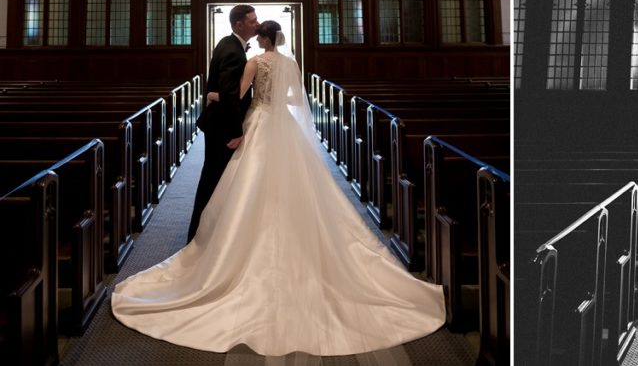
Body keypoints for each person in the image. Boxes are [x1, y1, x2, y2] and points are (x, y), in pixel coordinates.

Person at [111, 21, 446, 355]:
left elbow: (239, 95)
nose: (256, 38)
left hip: (259, 123)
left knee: (248, 184)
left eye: (259, 35)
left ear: (264, 38)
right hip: (282, 125)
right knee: (294, 184)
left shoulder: (257, 62)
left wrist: (213, 94)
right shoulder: (291, 63)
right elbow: (294, 98)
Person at [187, 3, 259, 242]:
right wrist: (237, 132)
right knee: (214, 180)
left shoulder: (228, 44)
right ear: (239, 24)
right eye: (252, 21)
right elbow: (229, 95)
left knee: (214, 178)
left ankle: (205, 232)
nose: (256, 24)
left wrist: (210, 95)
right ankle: (200, 235)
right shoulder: (232, 51)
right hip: (223, 128)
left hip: (218, 123)